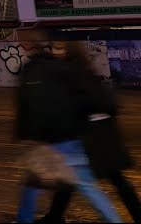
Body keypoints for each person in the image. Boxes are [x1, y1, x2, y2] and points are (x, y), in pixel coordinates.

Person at [15, 40, 121, 223]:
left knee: (32, 187)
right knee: (86, 186)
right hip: (71, 137)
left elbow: (30, 107)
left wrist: (27, 133)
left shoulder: (51, 71)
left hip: (54, 140)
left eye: (61, 48)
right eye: (56, 48)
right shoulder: (70, 70)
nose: (58, 52)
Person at [39, 44, 141, 223]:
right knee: (76, 177)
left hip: (95, 138)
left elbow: (90, 103)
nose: (56, 53)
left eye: (59, 49)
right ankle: (54, 215)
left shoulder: (73, 74)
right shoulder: (83, 71)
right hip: (100, 136)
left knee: (108, 178)